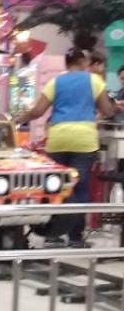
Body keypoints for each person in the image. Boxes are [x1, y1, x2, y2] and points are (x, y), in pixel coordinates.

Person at [20, 47, 116, 245]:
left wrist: (19, 118)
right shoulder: (94, 80)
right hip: (83, 140)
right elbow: (107, 110)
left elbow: (38, 111)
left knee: (56, 187)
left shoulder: (55, 82)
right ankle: (75, 237)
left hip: (58, 138)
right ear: (81, 62)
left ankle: (53, 234)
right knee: (79, 188)